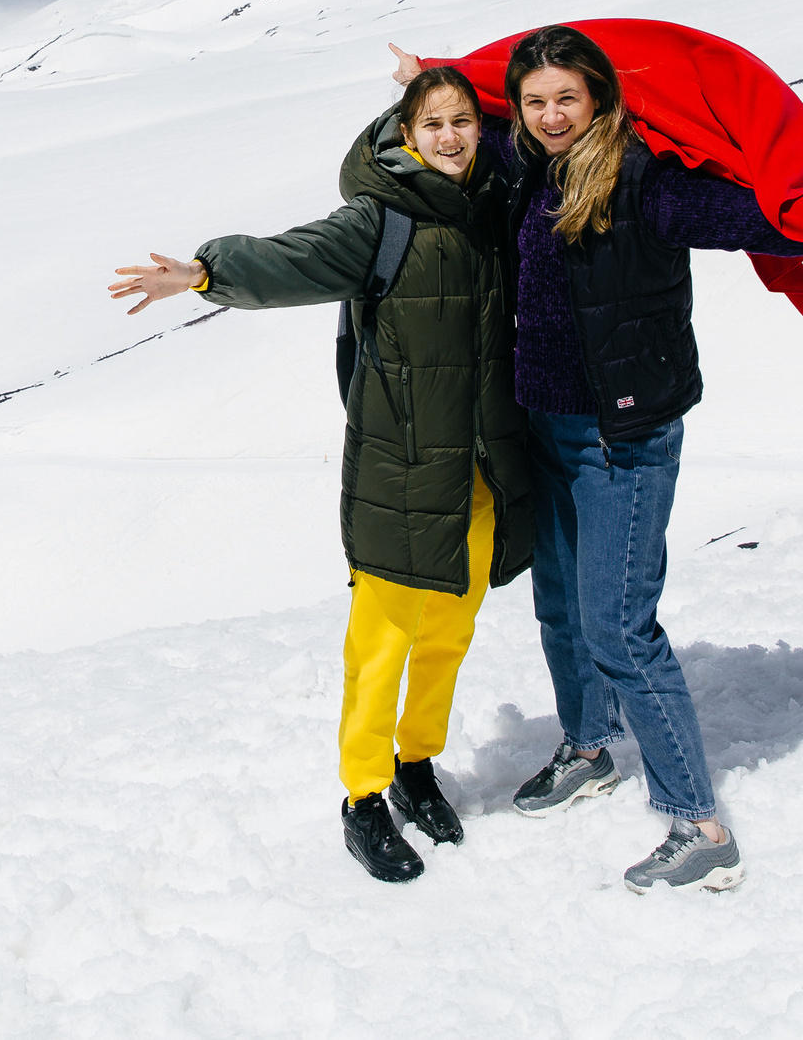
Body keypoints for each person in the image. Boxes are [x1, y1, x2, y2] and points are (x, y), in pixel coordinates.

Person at [389, 25, 803, 894]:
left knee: (621, 627)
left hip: (624, 437)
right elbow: (439, 136)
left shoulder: (646, 180)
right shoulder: (523, 170)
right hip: (548, 422)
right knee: (560, 605)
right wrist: (425, 82)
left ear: (600, 95)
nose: (554, 114)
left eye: (568, 96)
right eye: (535, 100)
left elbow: (758, 217)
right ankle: (589, 745)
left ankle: (698, 824)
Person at [108, 67, 532, 885]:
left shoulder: (492, 206)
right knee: (380, 647)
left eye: (462, 121)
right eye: (432, 122)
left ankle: (417, 765)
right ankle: (364, 796)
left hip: (479, 473)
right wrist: (203, 271)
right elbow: (287, 259)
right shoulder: (381, 222)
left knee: (448, 635)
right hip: (398, 472)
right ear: (405, 133)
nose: (449, 136)